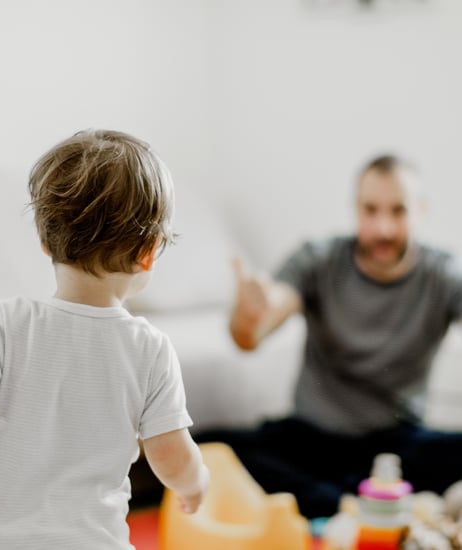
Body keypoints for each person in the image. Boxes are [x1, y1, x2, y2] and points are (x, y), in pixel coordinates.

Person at [0, 129, 209, 549]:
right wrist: (195, 483)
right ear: (148, 251)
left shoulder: (6, 321)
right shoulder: (150, 349)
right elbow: (170, 454)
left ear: (45, 241)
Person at [197, 154, 462, 519]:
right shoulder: (318, 260)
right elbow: (251, 335)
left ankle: (338, 500)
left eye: (398, 211)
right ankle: (353, 504)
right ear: (356, 209)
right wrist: (249, 314)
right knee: (204, 451)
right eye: (370, 210)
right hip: (310, 441)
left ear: (421, 211)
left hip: (397, 448)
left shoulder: (444, 275)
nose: (383, 227)